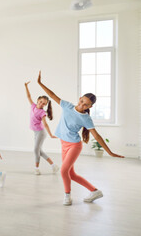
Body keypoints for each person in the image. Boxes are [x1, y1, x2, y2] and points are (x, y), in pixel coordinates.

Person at [37, 70, 124, 206]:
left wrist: (110, 152)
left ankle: (67, 196)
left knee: (63, 171)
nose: (82, 105)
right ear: (80, 98)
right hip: (64, 144)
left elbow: (97, 136)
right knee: (71, 174)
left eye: (86, 105)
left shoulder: (86, 118)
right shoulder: (67, 106)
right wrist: (40, 83)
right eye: (82, 101)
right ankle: (95, 191)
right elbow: (52, 95)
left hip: (74, 146)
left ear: (90, 107)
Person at [24, 81, 59, 175]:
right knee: (39, 150)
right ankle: (53, 166)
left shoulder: (43, 113)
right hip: (35, 132)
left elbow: (46, 125)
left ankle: (37, 168)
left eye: (44, 104)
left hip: (41, 133)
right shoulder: (33, 106)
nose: (41, 104)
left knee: (36, 150)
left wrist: (51, 134)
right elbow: (28, 96)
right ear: (37, 100)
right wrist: (26, 86)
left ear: (45, 105)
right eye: (40, 102)